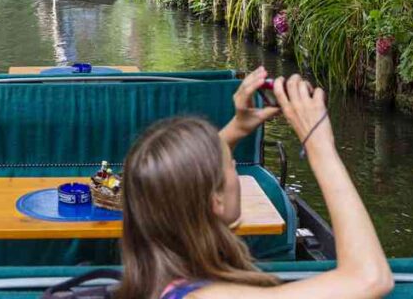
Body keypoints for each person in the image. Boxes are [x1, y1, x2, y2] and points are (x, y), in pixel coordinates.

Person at [118, 68, 393, 299]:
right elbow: (369, 277)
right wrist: (319, 145)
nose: (234, 164)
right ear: (215, 201)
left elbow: (184, 180)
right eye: (232, 166)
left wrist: (238, 127)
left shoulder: (155, 279)